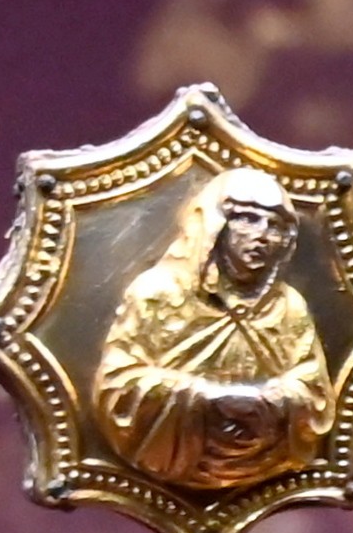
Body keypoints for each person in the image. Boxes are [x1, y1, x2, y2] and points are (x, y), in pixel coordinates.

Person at [92, 170, 332, 490]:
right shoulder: (158, 292)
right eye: (247, 219)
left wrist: (270, 400)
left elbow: (313, 391)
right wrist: (208, 399)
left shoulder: (288, 307)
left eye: (274, 225)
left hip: (262, 459)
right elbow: (118, 384)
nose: (262, 235)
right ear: (214, 224)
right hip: (172, 453)